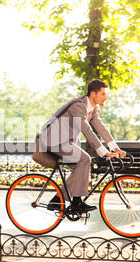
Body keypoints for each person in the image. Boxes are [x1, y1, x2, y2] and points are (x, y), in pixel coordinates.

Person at [37, 79, 126, 213]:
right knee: (85, 159)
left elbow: (100, 127)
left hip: (65, 141)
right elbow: (86, 130)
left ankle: (57, 200)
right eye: (103, 94)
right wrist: (103, 151)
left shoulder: (93, 108)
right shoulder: (78, 106)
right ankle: (77, 202)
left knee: (81, 167)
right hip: (53, 140)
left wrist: (114, 147)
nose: (106, 97)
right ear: (93, 94)